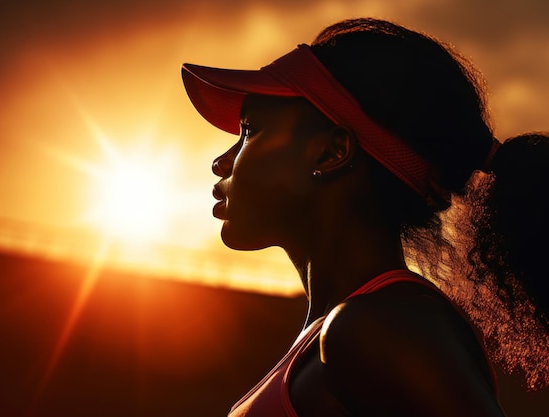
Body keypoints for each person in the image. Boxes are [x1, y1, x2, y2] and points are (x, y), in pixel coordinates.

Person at [181, 18, 549, 416]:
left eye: (250, 130)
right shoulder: (347, 330)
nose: (222, 161)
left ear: (332, 152)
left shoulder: (377, 328)